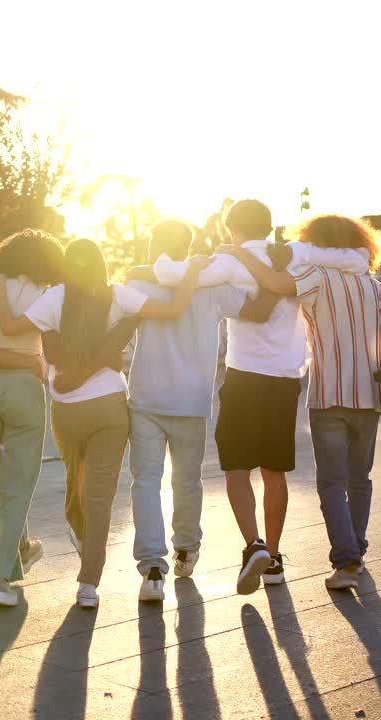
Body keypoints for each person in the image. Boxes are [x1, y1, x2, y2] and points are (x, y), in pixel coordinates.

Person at [150, 199, 369, 595]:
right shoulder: (297, 255)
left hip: (245, 375)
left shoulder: (232, 260)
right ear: (269, 227)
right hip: (286, 379)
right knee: (274, 471)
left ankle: (254, 545)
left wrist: (159, 265)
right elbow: (358, 258)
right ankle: (276, 560)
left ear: (232, 228)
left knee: (236, 468)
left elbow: (169, 274)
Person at [0, 238, 210, 609]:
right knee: (97, 498)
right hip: (110, 405)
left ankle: (86, 563)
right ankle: (88, 584)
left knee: (78, 492)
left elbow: (11, 327)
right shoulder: (118, 295)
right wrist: (190, 272)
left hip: (67, 410)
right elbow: (174, 309)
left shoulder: (54, 296)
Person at [230, 214, 381, 591]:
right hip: (370, 393)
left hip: (329, 394)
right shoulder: (373, 286)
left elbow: (273, 283)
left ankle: (347, 561)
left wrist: (241, 255)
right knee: (360, 479)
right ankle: (356, 549)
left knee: (331, 483)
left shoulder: (316, 278)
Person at [123, 220, 281, 602]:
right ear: (189, 248)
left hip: (145, 397)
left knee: (145, 479)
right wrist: (279, 275)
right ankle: (186, 549)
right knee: (187, 480)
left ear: (154, 247)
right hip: (192, 400)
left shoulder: (140, 283)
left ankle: (152, 569)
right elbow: (258, 311)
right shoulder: (212, 289)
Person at [0, 230, 64, 607]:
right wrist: (30, 360)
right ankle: (1, 577)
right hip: (24, 389)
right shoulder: (49, 293)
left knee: (0, 474)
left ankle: (21, 547)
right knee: (19, 484)